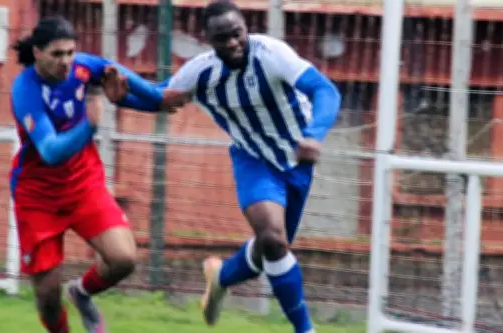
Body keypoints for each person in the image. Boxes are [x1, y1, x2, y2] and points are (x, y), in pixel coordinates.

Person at [121, 1, 342, 332]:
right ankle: (305, 329)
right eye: (222, 38)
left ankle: (221, 276)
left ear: (246, 28)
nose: (233, 43)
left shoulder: (271, 54)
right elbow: (158, 97)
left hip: (296, 161)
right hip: (253, 159)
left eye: (237, 34)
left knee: (270, 249)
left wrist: (314, 135)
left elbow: (325, 89)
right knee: (273, 239)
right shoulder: (201, 72)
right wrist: (119, 95)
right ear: (209, 40)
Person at [9, 16, 166, 333]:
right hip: (38, 197)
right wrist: (90, 126)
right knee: (48, 298)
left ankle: (81, 293)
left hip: (82, 183)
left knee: (123, 259)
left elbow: (139, 89)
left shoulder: (84, 67)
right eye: (57, 54)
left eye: (70, 52)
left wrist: (168, 97)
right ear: (37, 52)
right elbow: (50, 151)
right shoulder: (25, 89)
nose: (66, 61)